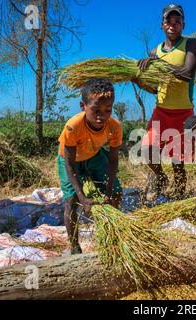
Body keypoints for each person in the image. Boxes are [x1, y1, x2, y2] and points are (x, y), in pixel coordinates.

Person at [134, 3, 196, 200]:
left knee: (177, 161)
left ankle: (179, 200)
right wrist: (137, 79)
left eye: (177, 21)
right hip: (161, 111)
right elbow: (155, 88)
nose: (172, 24)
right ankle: (160, 177)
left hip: (183, 112)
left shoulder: (192, 44)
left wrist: (159, 64)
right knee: (147, 150)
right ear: (162, 25)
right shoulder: (155, 52)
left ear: (183, 25)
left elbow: (187, 74)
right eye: (168, 21)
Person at [57, 78, 123, 254]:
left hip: (94, 155)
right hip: (70, 160)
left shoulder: (114, 127)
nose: (101, 116)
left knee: (116, 193)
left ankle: (110, 237)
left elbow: (113, 161)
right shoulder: (73, 126)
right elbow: (70, 165)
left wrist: (108, 193)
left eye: (107, 110)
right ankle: (74, 245)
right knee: (72, 201)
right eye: (95, 110)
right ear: (83, 106)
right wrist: (83, 197)